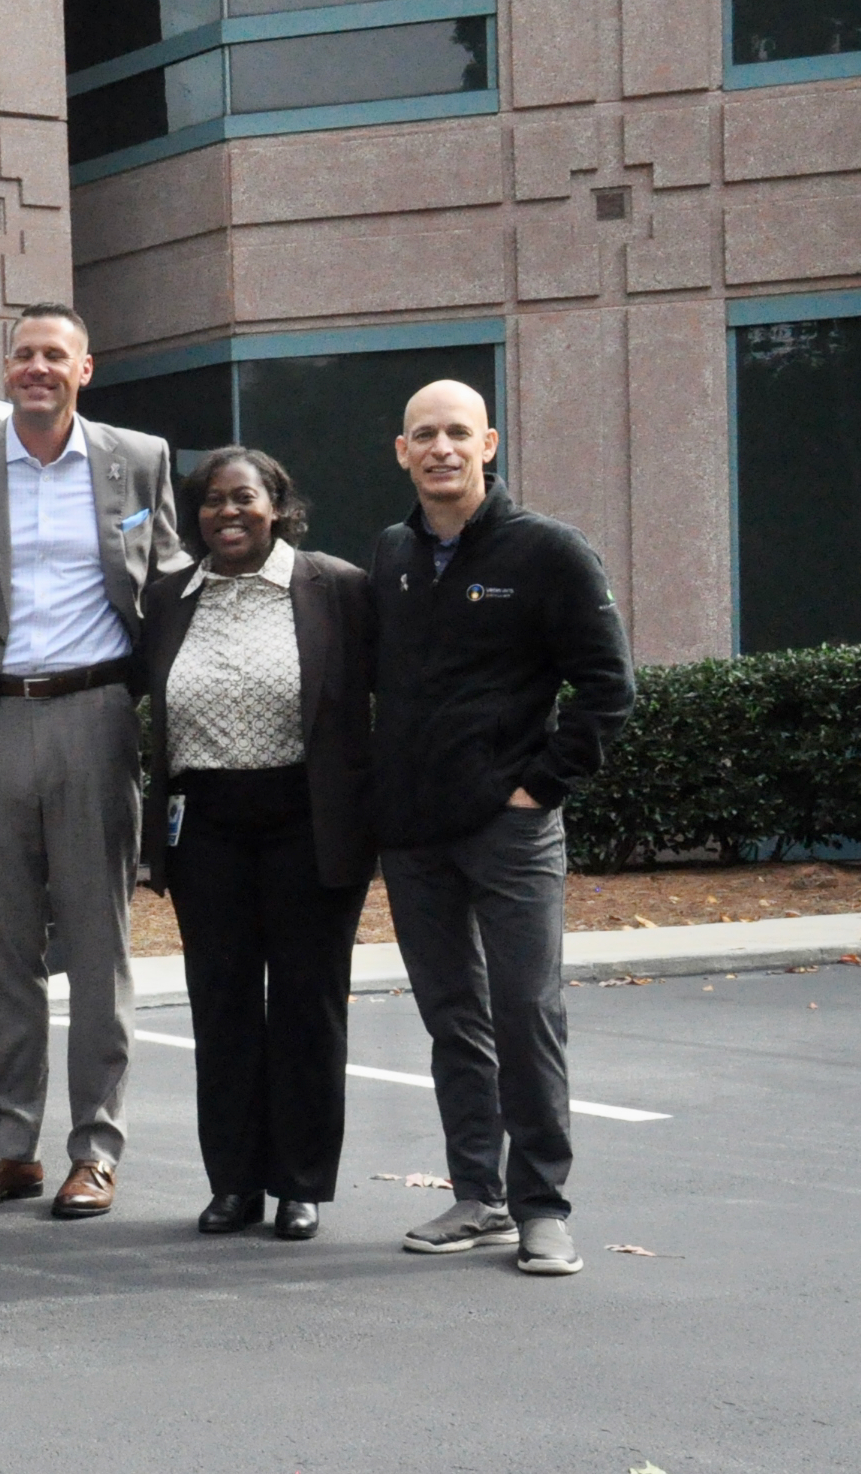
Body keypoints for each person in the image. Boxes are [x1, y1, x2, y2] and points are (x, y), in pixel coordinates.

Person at [0, 301, 186, 1220]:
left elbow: (172, 582)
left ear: (85, 368)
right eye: (23, 354)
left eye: (53, 355)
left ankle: (95, 1150)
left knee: (99, 948)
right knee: (0, 950)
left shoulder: (137, 459)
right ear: (6, 366)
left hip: (96, 715)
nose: (36, 368)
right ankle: (7, 1149)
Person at [371, 381, 632, 1277]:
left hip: (510, 831)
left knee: (526, 1011)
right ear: (400, 452)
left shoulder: (551, 553)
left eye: (457, 432)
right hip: (413, 835)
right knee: (454, 1017)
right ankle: (476, 1195)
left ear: (488, 442)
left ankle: (543, 1206)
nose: (441, 447)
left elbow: (608, 689)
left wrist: (538, 787)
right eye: (423, 435)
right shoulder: (393, 555)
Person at [137, 448, 374, 1242]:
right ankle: (234, 1181)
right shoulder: (170, 597)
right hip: (206, 826)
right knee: (223, 1004)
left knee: (308, 1005)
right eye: (209, 501)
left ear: (277, 504)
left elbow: (381, 700)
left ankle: (300, 1181)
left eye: (243, 498)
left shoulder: (334, 586)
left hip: (307, 820)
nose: (225, 512)